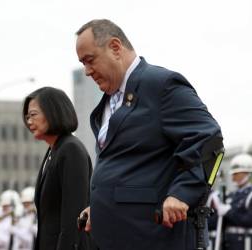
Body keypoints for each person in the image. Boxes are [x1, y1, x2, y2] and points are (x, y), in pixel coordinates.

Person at [75, 19, 223, 250]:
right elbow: (131, 165)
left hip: (152, 236)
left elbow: (209, 142)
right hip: (116, 236)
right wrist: (101, 205)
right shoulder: (107, 102)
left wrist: (183, 193)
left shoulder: (161, 85)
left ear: (115, 47)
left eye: (89, 60)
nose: (86, 71)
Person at [22, 86, 92, 250]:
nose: (29, 122)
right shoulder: (54, 150)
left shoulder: (70, 149)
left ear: (53, 112)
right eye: (27, 117)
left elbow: (72, 218)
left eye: (33, 115)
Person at [211, 153, 252, 250]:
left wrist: (228, 212)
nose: (233, 177)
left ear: (248, 173)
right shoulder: (231, 196)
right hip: (228, 243)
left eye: (237, 174)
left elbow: (249, 220)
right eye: (233, 174)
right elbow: (219, 223)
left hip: (245, 243)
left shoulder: (250, 194)